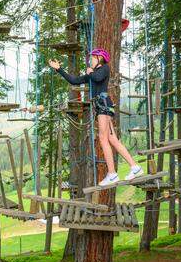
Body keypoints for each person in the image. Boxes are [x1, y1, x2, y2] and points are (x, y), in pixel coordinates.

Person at [49, 48, 144, 186]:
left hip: (103, 105)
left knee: (103, 139)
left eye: (92, 58)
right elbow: (74, 81)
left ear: (99, 58)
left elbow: (98, 77)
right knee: (112, 139)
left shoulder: (104, 68)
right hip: (103, 106)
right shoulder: (92, 73)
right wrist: (59, 69)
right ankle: (135, 167)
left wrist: (91, 72)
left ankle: (112, 174)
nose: (90, 61)